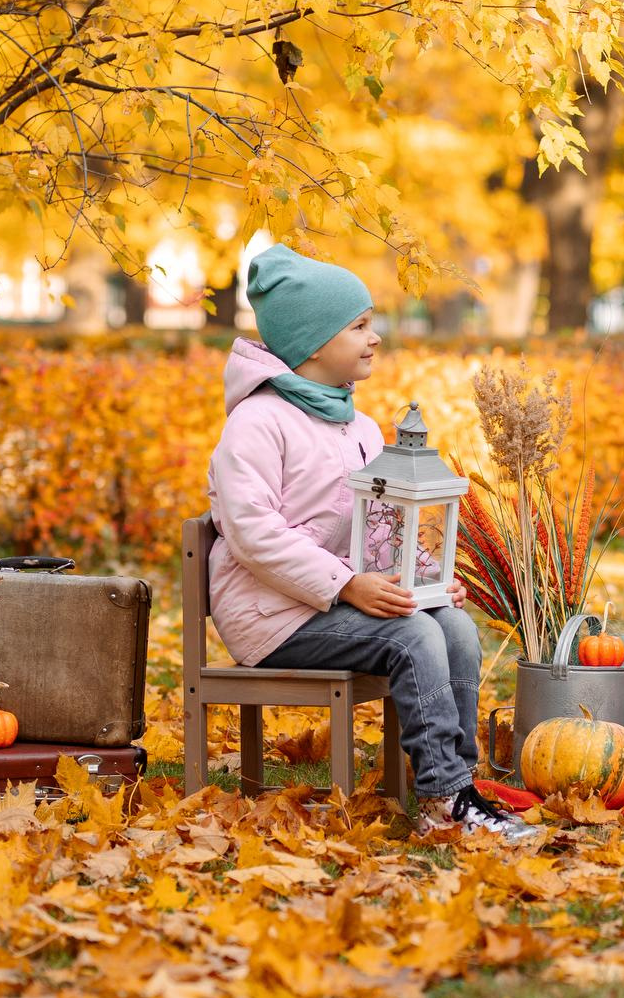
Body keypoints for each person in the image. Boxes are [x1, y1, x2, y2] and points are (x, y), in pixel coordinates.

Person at [205, 244, 537, 840]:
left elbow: (379, 524)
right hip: (272, 616)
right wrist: (345, 583)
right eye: (358, 326)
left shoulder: (357, 425)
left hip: (332, 602)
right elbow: (253, 533)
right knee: (411, 636)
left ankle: (461, 785)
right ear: (312, 343)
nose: (374, 337)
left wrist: (425, 578)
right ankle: (443, 801)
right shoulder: (257, 422)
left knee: (451, 626)